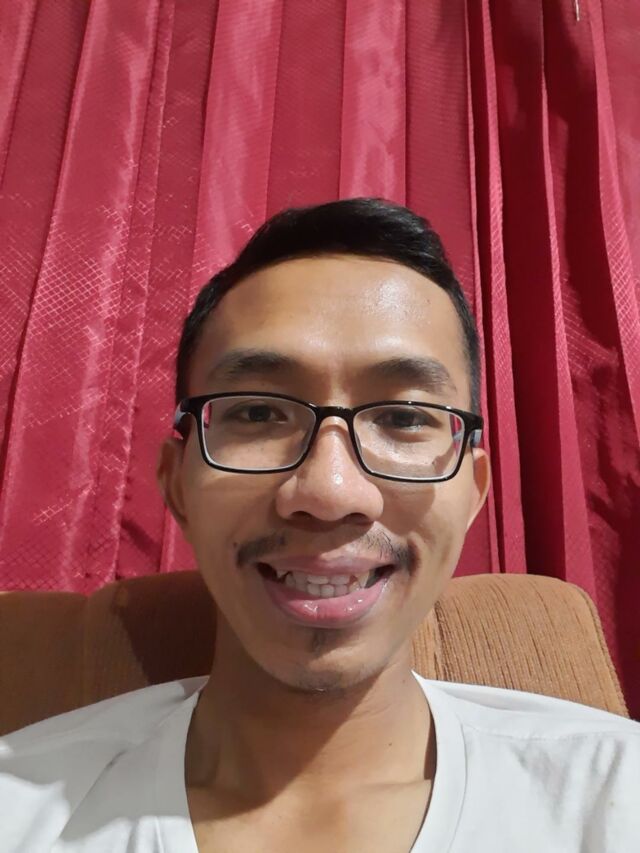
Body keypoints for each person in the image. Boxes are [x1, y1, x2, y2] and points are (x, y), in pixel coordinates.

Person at [1, 198, 638, 852]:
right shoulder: (19, 808)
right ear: (177, 486)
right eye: (256, 413)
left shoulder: (614, 795)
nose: (330, 493)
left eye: (403, 417)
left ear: (471, 494)